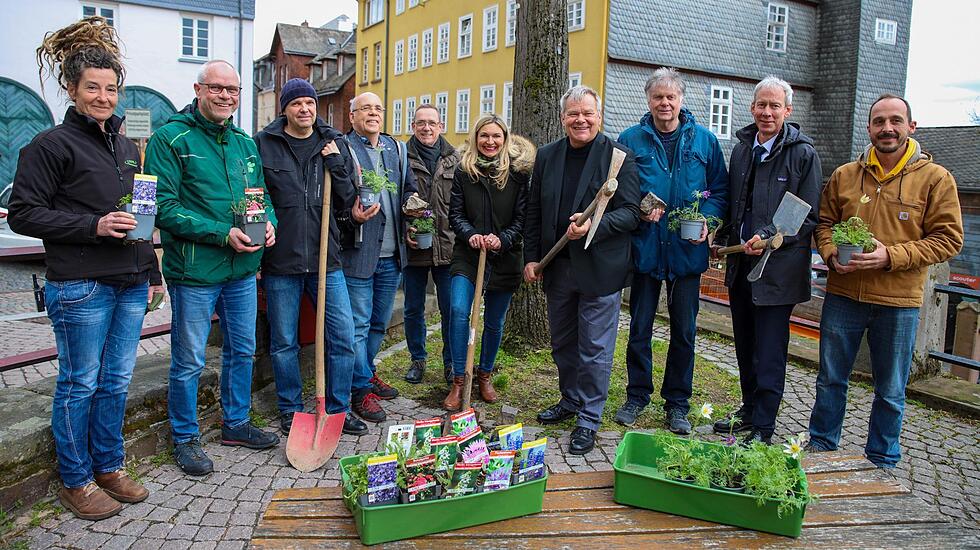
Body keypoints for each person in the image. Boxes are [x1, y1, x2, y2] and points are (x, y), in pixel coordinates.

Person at [8, 16, 161, 520]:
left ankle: (110, 465)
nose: (103, 96)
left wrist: (153, 270)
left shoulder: (127, 147)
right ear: (72, 89)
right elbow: (25, 213)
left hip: (130, 283)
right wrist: (93, 225)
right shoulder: (49, 146)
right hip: (81, 286)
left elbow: (142, 214)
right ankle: (75, 480)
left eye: (111, 88)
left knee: (116, 381)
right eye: (92, 87)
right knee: (80, 383)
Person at [807, 94, 963, 468]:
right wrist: (829, 253)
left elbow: (948, 239)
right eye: (879, 121)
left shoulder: (935, 179)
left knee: (890, 390)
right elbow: (824, 224)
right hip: (844, 295)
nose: (887, 128)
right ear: (870, 128)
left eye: (895, 121)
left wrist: (890, 256)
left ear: (912, 127)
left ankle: (882, 460)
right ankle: (822, 447)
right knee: (830, 379)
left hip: (897, 301)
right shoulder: (846, 175)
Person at [145, 60, 279, 476]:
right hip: (195, 272)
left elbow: (258, 195)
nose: (226, 96)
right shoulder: (169, 139)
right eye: (217, 88)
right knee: (189, 359)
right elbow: (162, 208)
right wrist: (221, 233)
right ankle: (184, 438)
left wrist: (269, 222)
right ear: (198, 90)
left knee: (242, 349)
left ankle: (236, 424)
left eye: (233, 90)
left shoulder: (243, 142)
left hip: (242, 268)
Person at [524, 86, 641, 455]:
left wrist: (593, 226)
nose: (581, 120)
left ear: (599, 116)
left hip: (600, 270)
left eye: (587, 113)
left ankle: (588, 419)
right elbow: (533, 212)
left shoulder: (618, 158)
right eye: (573, 114)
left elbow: (631, 212)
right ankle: (570, 400)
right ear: (563, 119)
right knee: (563, 343)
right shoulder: (547, 156)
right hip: (558, 267)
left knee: (594, 348)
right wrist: (531, 257)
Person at [615, 68, 729, 433]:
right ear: (648, 100)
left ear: (681, 100)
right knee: (640, 328)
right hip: (646, 250)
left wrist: (709, 222)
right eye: (657, 97)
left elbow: (719, 191)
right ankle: (637, 395)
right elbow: (618, 189)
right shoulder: (631, 139)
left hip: (686, 253)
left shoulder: (705, 141)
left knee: (684, 331)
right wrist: (638, 209)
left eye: (671, 97)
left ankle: (677, 403)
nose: (664, 103)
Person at [254, 79, 368, 437]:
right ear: (284, 109)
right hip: (281, 262)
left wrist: (338, 164)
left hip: (326, 259)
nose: (304, 109)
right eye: (296, 103)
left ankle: (338, 408)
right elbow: (256, 195)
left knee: (343, 336)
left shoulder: (333, 143)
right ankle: (290, 408)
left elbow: (351, 198)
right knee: (284, 341)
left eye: (309, 102)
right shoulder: (265, 144)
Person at [712, 76, 821, 445]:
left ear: (788, 111)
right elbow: (734, 204)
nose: (767, 112)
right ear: (752, 107)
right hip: (742, 264)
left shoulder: (803, 153)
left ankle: (764, 425)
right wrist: (720, 233)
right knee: (744, 343)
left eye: (775, 106)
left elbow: (805, 216)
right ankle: (747, 409)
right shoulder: (743, 149)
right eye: (761, 105)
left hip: (778, 270)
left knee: (770, 350)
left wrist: (771, 235)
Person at [444, 115, 533, 411]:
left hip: (504, 257)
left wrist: (502, 239)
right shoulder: (464, 172)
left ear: (505, 139)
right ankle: (459, 379)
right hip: (468, 256)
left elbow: (522, 218)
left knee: (494, 322)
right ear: (475, 138)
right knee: (458, 310)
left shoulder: (518, 175)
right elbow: (455, 213)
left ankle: (484, 375)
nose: (490, 142)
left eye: (496, 136)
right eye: (484, 136)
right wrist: (470, 235)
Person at [342, 92, 420, 423]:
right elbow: (337, 201)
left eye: (378, 108)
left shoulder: (396, 148)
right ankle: (359, 390)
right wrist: (352, 217)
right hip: (359, 253)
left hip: (392, 255)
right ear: (352, 116)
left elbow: (409, 188)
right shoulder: (344, 148)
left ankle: (366, 373)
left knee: (377, 323)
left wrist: (415, 206)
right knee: (358, 325)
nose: (373, 113)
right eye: (365, 109)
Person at [403, 104, 460, 386]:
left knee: (451, 309)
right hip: (415, 247)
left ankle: (451, 363)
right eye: (420, 123)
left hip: (448, 248)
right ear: (413, 126)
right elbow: (395, 201)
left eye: (431, 123)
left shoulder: (455, 159)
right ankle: (417, 359)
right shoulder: (403, 157)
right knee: (413, 308)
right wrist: (406, 229)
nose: (426, 128)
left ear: (441, 126)